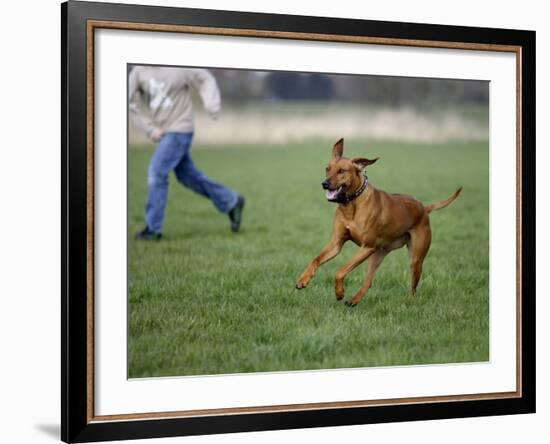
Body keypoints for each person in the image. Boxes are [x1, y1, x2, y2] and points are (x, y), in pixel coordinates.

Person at [129, 66, 245, 240]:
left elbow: (205, 78)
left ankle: (153, 230)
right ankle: (231, 201)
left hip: (181, 128)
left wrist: (212, 105)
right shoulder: (138, 72)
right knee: (188, 177)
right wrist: (150, 129)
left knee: (156, 172)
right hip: (163, 131)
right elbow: (130, 104)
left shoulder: (178, 65)